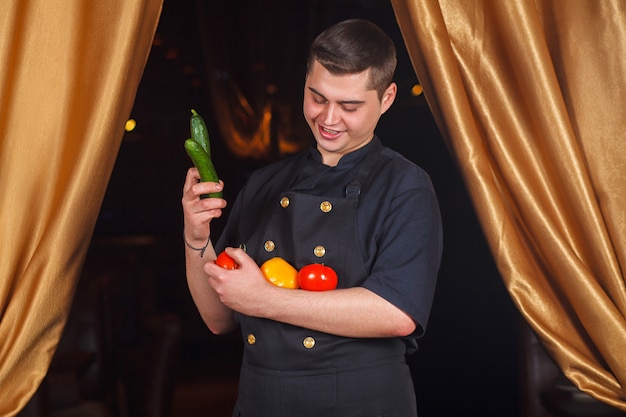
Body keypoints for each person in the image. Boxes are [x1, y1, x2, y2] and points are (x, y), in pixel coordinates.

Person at [181, 18, 443, 417]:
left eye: (350, 106)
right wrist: (196, 233)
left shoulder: (405, 186)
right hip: (260, 403)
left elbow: (396, 314)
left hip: (359, 405)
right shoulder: (264, 185)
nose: (329, 118)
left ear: (386, 98)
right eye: (317, 98)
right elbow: (219, 318)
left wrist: (266, 300)